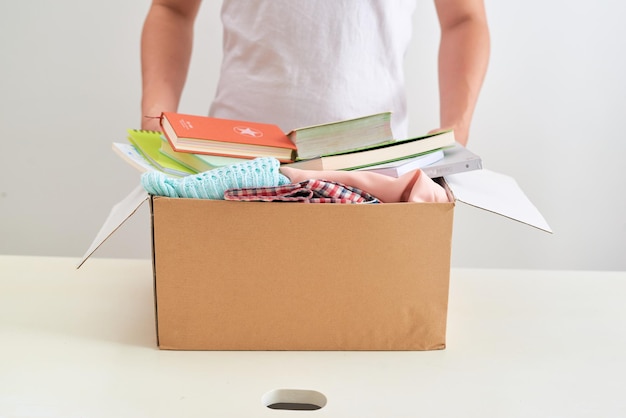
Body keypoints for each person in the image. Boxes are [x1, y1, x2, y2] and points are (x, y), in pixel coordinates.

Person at [140, 0, 489, 146]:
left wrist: (456, 128)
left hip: (372, 166)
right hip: (234, 159)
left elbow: (463, 18)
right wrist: (156, 113)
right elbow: (172, 8)